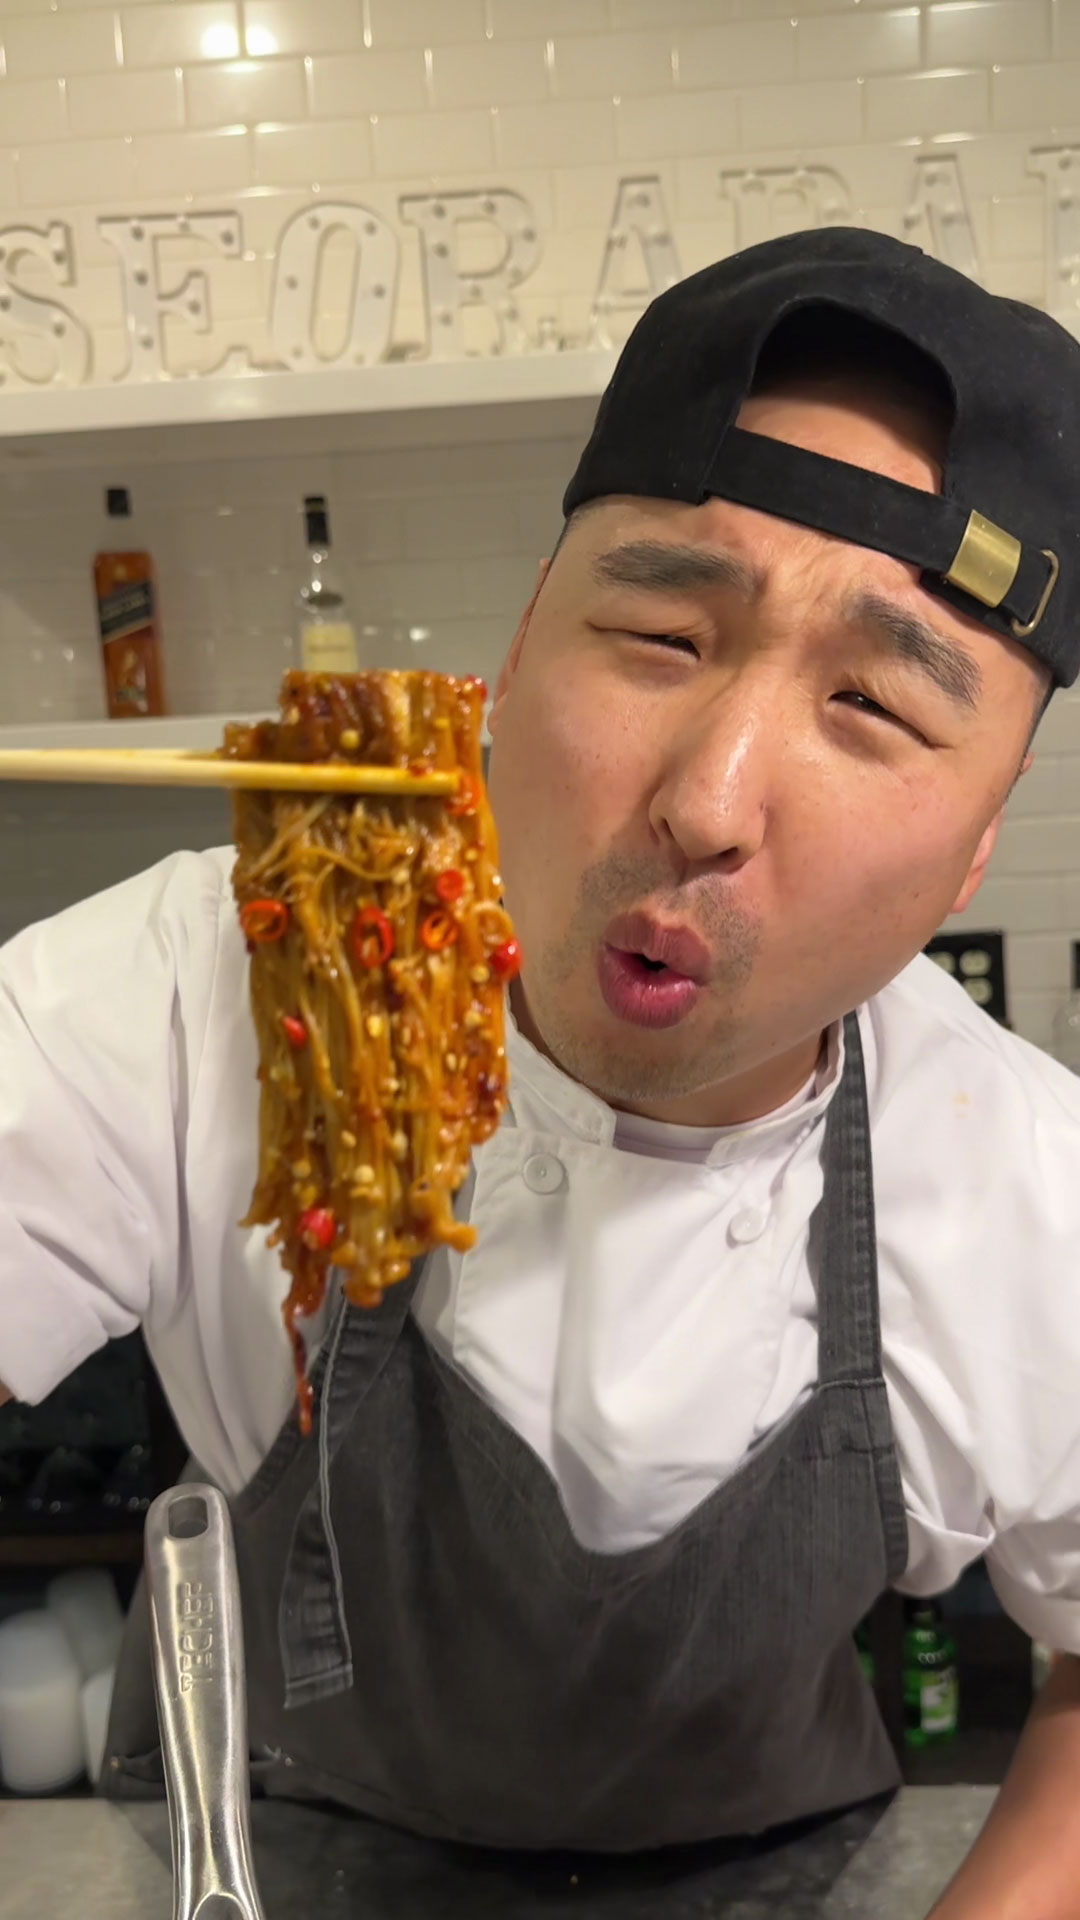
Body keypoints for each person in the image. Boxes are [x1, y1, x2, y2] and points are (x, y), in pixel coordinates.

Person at [1, 226, 1080, 1917]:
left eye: (871, 706)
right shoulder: (216, 979)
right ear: (510, 661)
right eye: (660, 631)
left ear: (973, 855)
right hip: (264, 1853)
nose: (709, 800)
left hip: (775, 1875)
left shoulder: (1028, 1187)